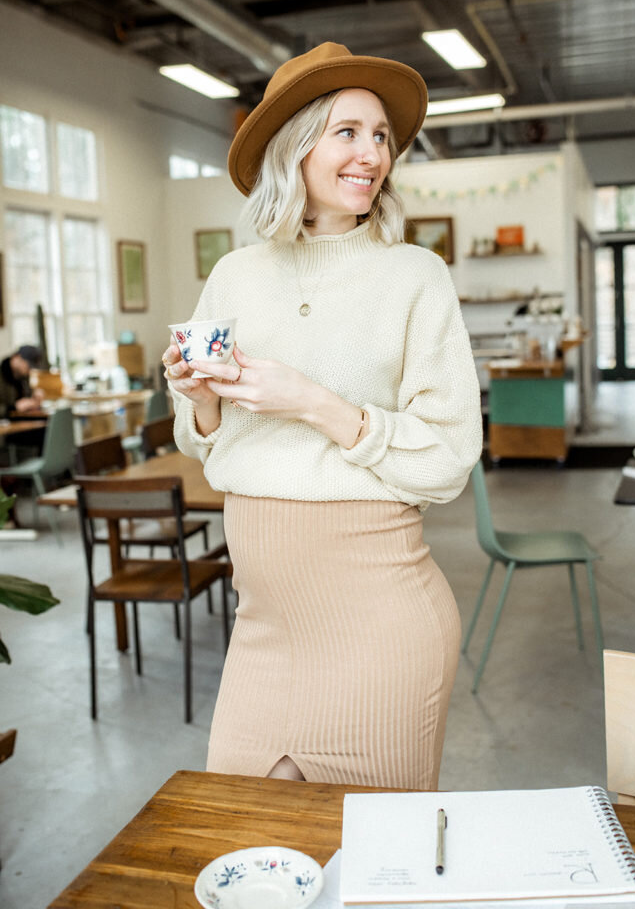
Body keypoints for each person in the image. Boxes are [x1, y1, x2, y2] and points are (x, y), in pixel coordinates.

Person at [163, 42, 482, 790]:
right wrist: (201, 399)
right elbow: (206, 445)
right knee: (243, 841)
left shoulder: (415, 276)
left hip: (381, 625)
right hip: (263, 630)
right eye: (347, 131)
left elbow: (447, 459)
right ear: (296, 146)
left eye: (380, 136)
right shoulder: (236, 274)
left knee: (377, 873)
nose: (370, 152)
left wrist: (314, 403)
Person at [0, 345, 44, 419]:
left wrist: (34, 400)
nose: (29, 370)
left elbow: (27, 399)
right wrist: (13, 407)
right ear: (16, 357)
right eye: (28, 365)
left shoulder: (23, 377)